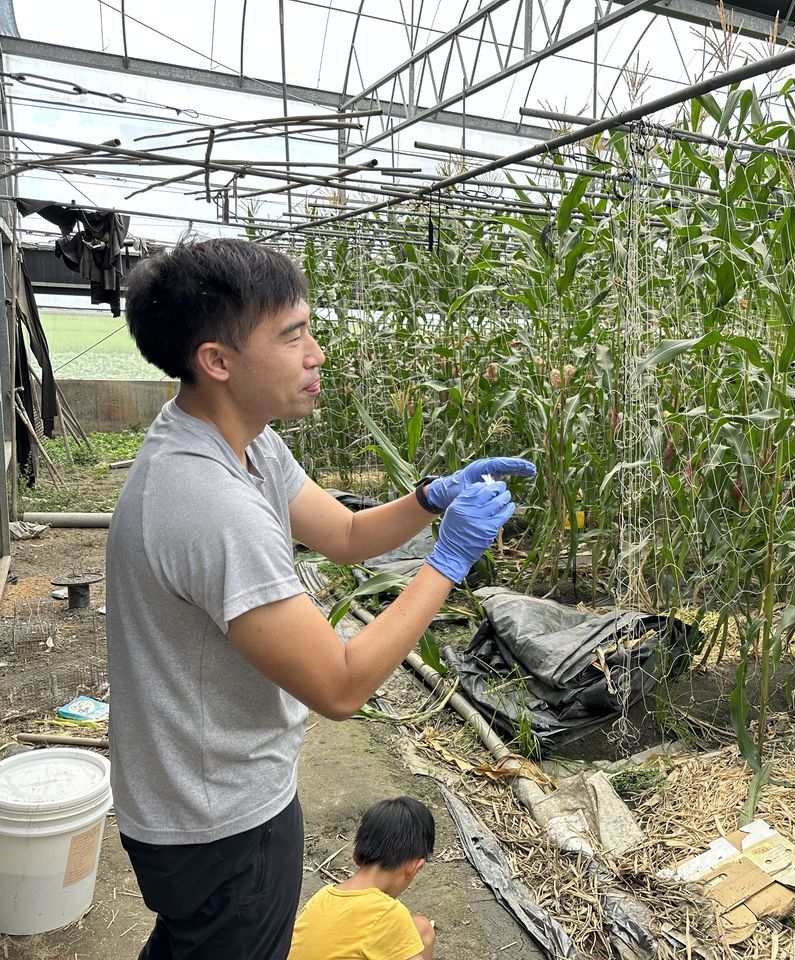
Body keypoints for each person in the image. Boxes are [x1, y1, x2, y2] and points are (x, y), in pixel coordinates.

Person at [106, 237, 536, 960]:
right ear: (218, 360)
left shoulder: (243, 440)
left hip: (198, 794)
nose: (318, 352)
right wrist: (450, 559)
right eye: (293, 334)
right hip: (218, 821)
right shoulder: (209, 503)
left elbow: (341, 533)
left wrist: (429, 498)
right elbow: (341, 686)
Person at [288, 796, 438, 960]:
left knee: (420, 927)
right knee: (421, 931)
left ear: (356, 855)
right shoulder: (388, 913)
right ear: (414, 867)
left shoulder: (322, 897)